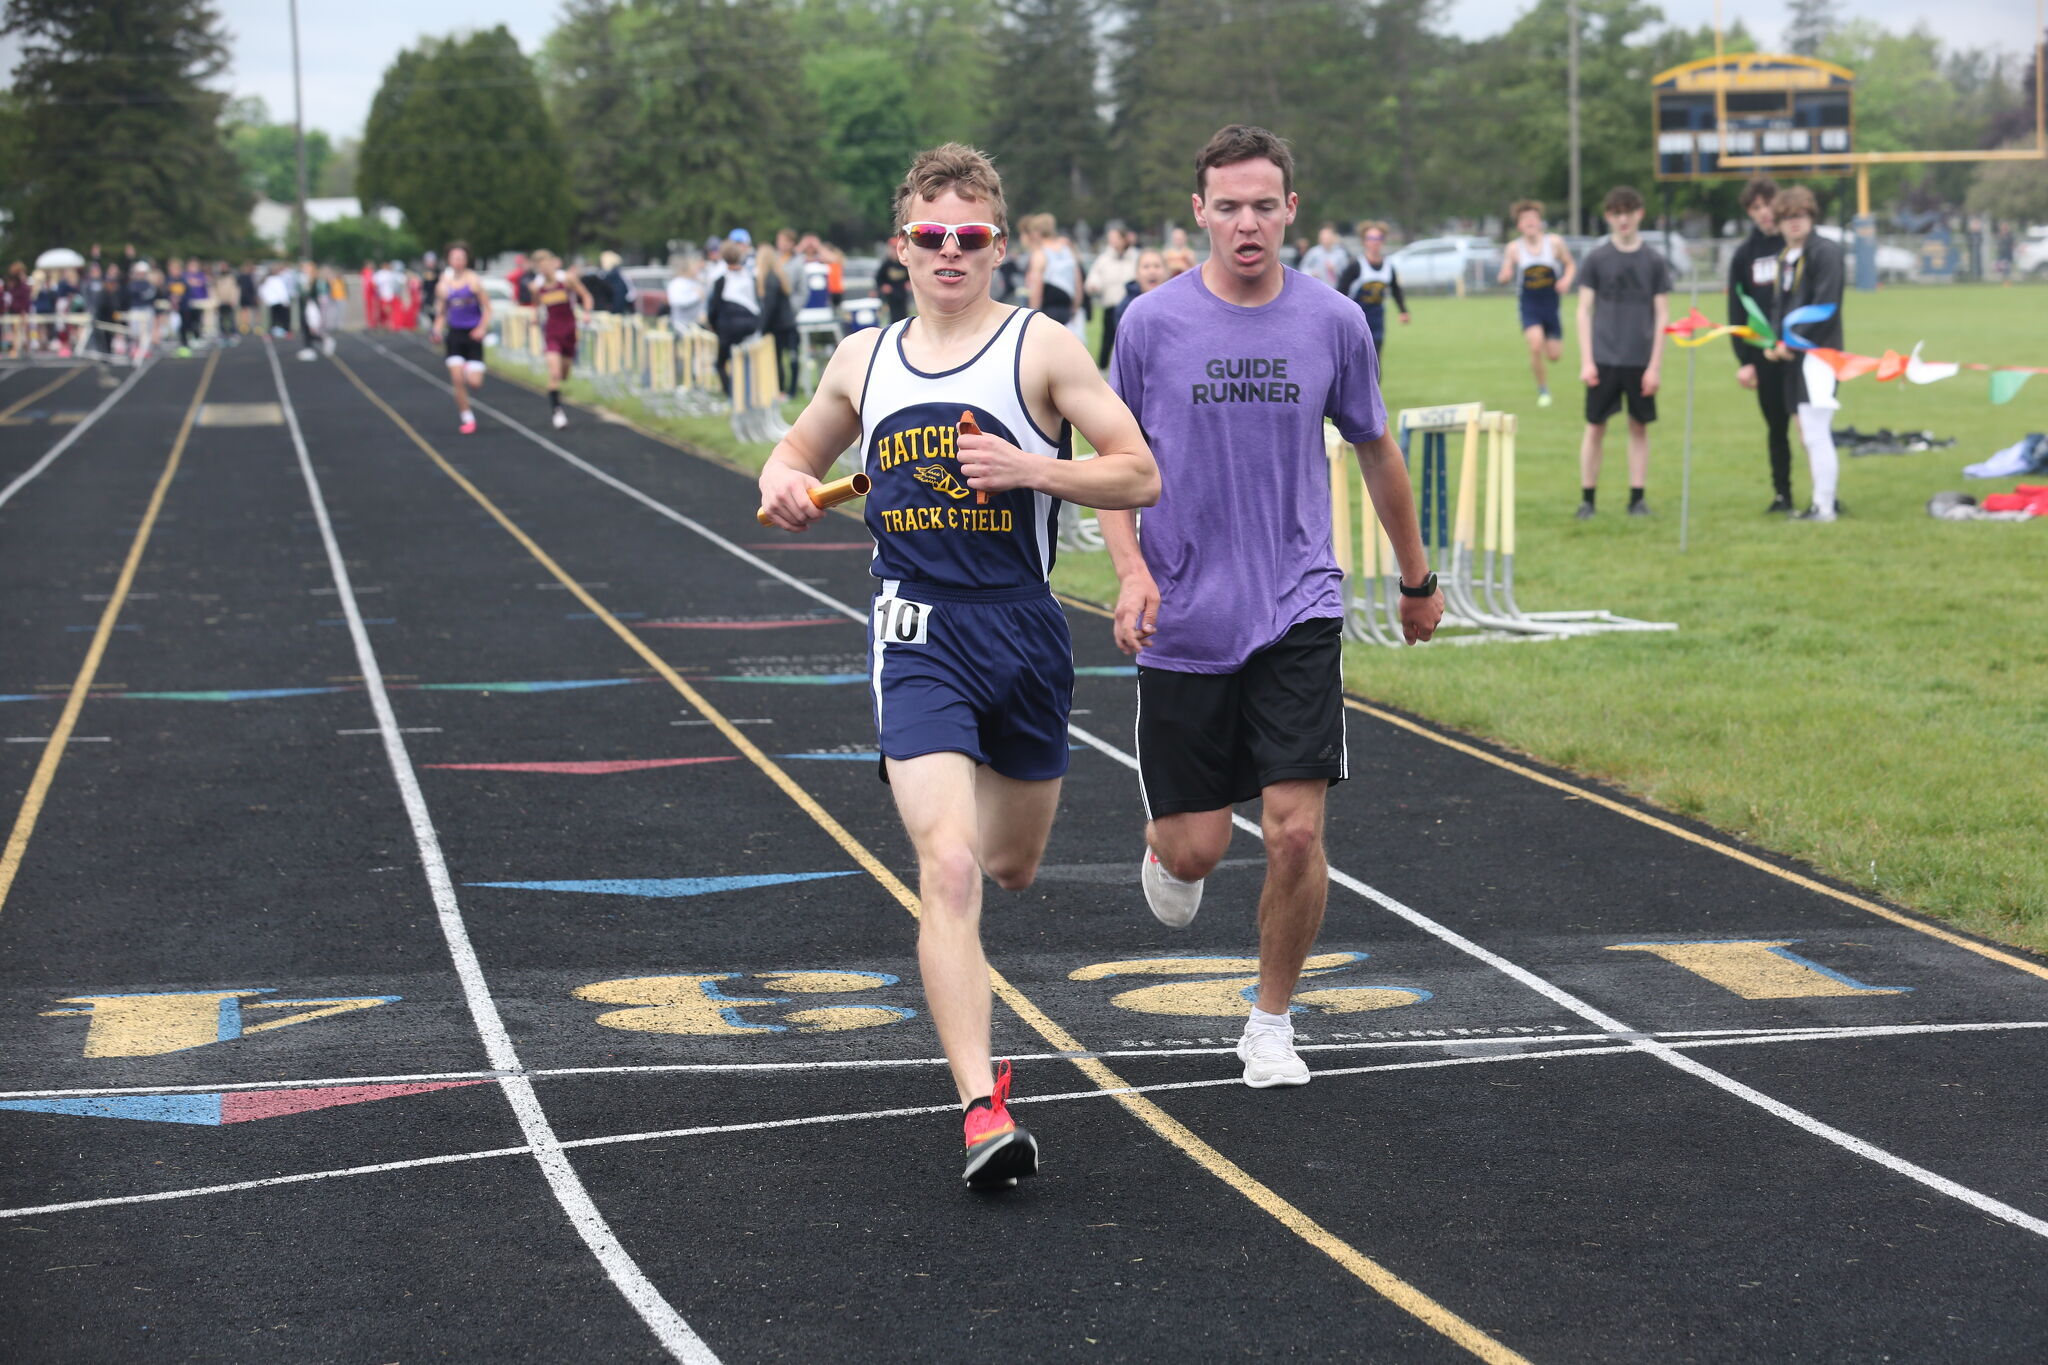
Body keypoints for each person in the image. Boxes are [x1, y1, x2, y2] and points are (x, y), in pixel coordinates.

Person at [756, 142, 1159, 1189]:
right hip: (916, 633)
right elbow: (793, 455)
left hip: (1021, 631)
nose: (949, 252)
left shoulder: (1040, 347)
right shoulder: (863, 360)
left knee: (1010, 865)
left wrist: (1032, 468)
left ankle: (982, 1049)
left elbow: (1139, 474)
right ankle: (982, 1106)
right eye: (930, 235)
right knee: (945, 865)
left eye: (968, 236)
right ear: (901, 247)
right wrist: (783, 480)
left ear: (997, 245)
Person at [1099, 123, 1443, 1092]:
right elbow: (1111, 462)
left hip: (1297, 605)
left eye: (1262, 206)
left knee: (1294, 830)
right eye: (1228, 207)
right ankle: (1166, 852)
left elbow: (1375, 449)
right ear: (1198, 213)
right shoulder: (1148, 325)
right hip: (1182, 618)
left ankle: (1271, 1023)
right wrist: (1129, 571)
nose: (1245, 223)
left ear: (1290, 211)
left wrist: (1415, 580)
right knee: (1196, 850)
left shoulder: (1333, 321)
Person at [1573, 185, 1671, 519]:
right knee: (1595, 427)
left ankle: (1637, 498)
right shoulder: (1597, 258)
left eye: (1628, 212)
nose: (1623, 219)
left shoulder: (1654, 260)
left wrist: (1654, 366)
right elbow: (1583, 311)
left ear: (1639, 214)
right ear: (1608, 217)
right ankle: (1588, 500)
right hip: (1603, 358)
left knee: (1639, 427)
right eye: (1616, 213)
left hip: (1639, 359)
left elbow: (1662, 315)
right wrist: (1587, 360)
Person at [1764, 185, 1846, 523]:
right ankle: (1820, 501)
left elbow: (1825, 306)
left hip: (1820, 354)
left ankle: (1824, 506)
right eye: (1787, 217)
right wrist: (1774, 340)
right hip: (1795, 356)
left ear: (1811, 216)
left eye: (1800, 215)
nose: (1794, 222)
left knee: (1816, 431)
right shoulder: (1785, 257)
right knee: (1806, 432)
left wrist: (1791, 341)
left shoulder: (1825, 253)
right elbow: (1779, 305)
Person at [1727, 176, 1793, 514]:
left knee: (1809, 425)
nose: (1764, 212)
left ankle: (1824, 496)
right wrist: (1745, 360)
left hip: (1797, 350)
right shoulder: (1744, 255)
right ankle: (1782, 494)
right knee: (1776, 428)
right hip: (1763, 352)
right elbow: (1737, 309)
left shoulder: (1795, 244)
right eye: (1756, 208)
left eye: (1768, 204)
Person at [1498, 199, 1574, 408]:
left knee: (1554, 356)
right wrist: (1504, 276)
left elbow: (1570, 265)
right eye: (1525, 219)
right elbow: (1505, 271)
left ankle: (1546, 357)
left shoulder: (1554, 243)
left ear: (1540, 222)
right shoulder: (1514, 248)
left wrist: (1566, 279)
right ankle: (1543, 390)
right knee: (1535, 345)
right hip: (1529, 305)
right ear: (1519, 225)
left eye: (1533, 218)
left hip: (1551, 306)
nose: (1530, 222)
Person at [431, 242, 492, 433]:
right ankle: (467, 417)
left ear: (466, 260)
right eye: (454, 257)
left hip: (473, 335)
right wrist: (436, 330)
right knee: (456, 379)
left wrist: (482, 328)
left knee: (475, 383)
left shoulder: (473, 281)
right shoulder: (443, 285)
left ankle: (467, 369)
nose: (457, 261)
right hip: (455, 335)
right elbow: (442, 313)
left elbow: (487, 309)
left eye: (461, 257)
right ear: (449, 260)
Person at [531, 249, 594, 429]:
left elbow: (586, 295)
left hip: (569, 330)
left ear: (553, 263)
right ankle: (557, 413)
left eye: (546, 264)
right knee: (555, 373)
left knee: (564, 373)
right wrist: (534, 316)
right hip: (551, 331)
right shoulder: (536, 286)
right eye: (540, 267)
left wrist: (587, 313)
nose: (544, 269)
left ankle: (558, 401)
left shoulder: (566, 280)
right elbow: (535, 304)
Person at [1334, 221, 1409, 358]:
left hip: (1377, 320)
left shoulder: (1388, 266)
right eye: (1371, 238)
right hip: (1357, 321)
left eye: (1378, 238)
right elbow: (1340, 291)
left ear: (1383, 241)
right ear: (1364, 241)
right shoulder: (1356, 266)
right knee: (1357, 360)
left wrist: (1403, 311)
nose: (1375, 242)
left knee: (1375, 360)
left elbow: (1395, 289)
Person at [704, 233, 762, 394]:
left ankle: (731, 392)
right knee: (748, 361)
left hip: (729, 326)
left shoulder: (721, 279)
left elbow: (714, 306)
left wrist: (713, 324)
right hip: (750, 324)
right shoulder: (750, 277)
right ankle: (748, 391)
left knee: (721, 362)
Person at [1022, 213, 1086, 343]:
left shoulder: (1040, 255)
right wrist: (1075, 307)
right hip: (1067, 309)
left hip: (1048, 309)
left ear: (1036, 233)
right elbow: (1078, 283)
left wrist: (1032, 313)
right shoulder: (1068, 251)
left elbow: (1036, 288)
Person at [1084, 225, 1139, 368]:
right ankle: (1103, 368)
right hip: (1111, 304)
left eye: (1115, 238)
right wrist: (1093, 285)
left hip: (1131, 305)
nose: (1112, 241)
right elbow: (1095, 276)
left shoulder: (1135, 257)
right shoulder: (1104, 259)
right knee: (1107, 338)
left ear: (1123, 239)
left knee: (1130, 339)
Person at [754, 244, 799, 395]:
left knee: (777, 359)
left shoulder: (769, 279)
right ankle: (792, 390)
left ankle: (781, 389)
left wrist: (762, 327)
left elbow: (770, 306)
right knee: (792, 356)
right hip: (788, 322)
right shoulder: (780, 275)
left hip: (778, 325)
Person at [1297, 221, 1351, 290]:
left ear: (1332, 238)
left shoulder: (1340, 254)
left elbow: (1346, 273)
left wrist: (1335, 269)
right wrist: (1311, 273)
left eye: (1327, 238)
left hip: (1335, 289)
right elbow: (1302, 268)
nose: (1325, 241)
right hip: (1317, 288)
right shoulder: (1314, 252)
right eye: (1323, 238)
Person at [874, 240, 912, 323]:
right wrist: (883, 286)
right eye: (893, 248)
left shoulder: (903, 263)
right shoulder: (886, 264)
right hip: (891, 293)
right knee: (893, 314)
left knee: (903, 313)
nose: (894, 251)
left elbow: (910, 276)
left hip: (902, 292)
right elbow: (879, 278)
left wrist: (909, 283)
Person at [665, 256, 705, 332]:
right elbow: (676, 301)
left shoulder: (696, 283)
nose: (698, 270)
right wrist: (696, 296)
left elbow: (702, 303)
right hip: (680, 324)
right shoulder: (677, 283)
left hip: (696, 324)